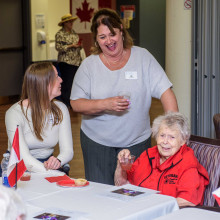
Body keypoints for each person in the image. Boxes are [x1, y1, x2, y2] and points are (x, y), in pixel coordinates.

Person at [70, 8, 178, 185]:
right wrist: (106, 104)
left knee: (135, 193)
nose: (109, 41)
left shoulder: (143, 57)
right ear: (96, 39)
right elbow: (76, 103)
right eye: (102, 37)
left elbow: (166, 92)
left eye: (112, 34)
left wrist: (172, 129)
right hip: (97, 143)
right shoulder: (89, 66)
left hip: (136, 142)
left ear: (121, 30)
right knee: (100, 194)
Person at [114, 112, 209, 207]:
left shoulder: (188, 164)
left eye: (172, 137)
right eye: (162, 135)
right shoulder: (147, 155)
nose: (165, 141)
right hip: (139, 209)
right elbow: (123, 185)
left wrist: (154, 207)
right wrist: (121, 164)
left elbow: (187, 200)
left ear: (183, 141)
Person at [5, 62, 73, 174]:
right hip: (18, 166)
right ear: (43, 83)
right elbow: (24, 158)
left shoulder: (61, 109)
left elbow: (68, 151)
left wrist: (57, 161)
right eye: (56, 77)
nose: (61, 80)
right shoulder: (14, 113)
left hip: (47, 166)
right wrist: (51, 173)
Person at [55, 13, 82, 107]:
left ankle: (72, 101)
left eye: (72, 21)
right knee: (66, 83)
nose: (71, 23)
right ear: (65, 23)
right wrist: (71, 46)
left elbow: (77, 46)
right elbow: (58, 47)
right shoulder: (60, 34)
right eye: (69, 21)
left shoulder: (74, 32)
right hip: (66, 62)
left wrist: (79, 46)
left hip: (76, 61)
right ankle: (65, 103)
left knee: (74, 82)